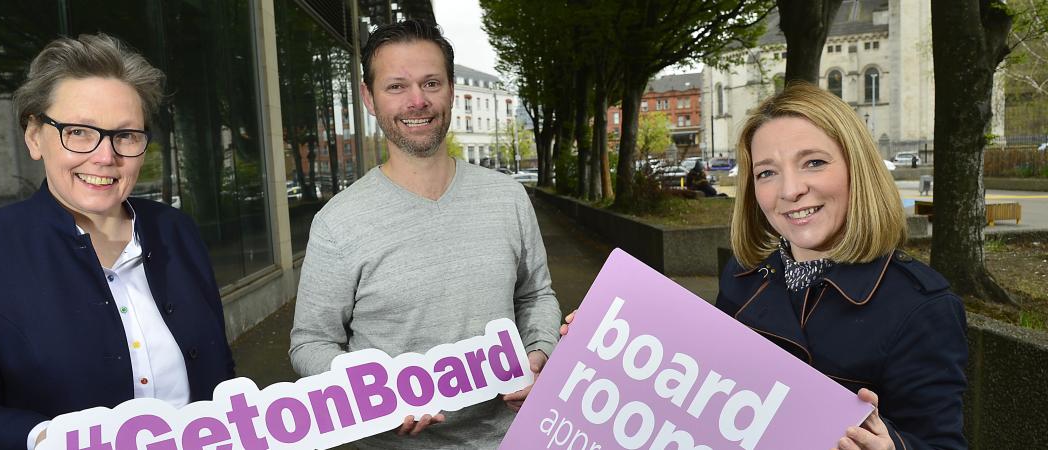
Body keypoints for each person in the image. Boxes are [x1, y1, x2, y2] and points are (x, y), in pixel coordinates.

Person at [563, 84, 966, 450]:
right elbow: (694, 396)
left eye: (813, 162)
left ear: (856, 168)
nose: (790, 190)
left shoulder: (922, 306)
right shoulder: (743, 275)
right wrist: (606, 352)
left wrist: (893, 446)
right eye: (767, 172)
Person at [0, 34, 235, 449]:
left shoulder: (176, 230)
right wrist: (51, 438)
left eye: (125, 135)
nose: (105, 156)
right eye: (79, 132)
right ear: (35, 135)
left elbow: (217, 369)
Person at [288, 20, 561, 449]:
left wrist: (537, 356)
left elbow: (535, 296)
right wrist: (372, 398)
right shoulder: (337, 223)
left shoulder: (508, 198)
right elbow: (311, 343)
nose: (417, 101)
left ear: (451, 89)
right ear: (369, 98)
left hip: (510, 438)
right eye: (396, 86)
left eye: (431, 82)